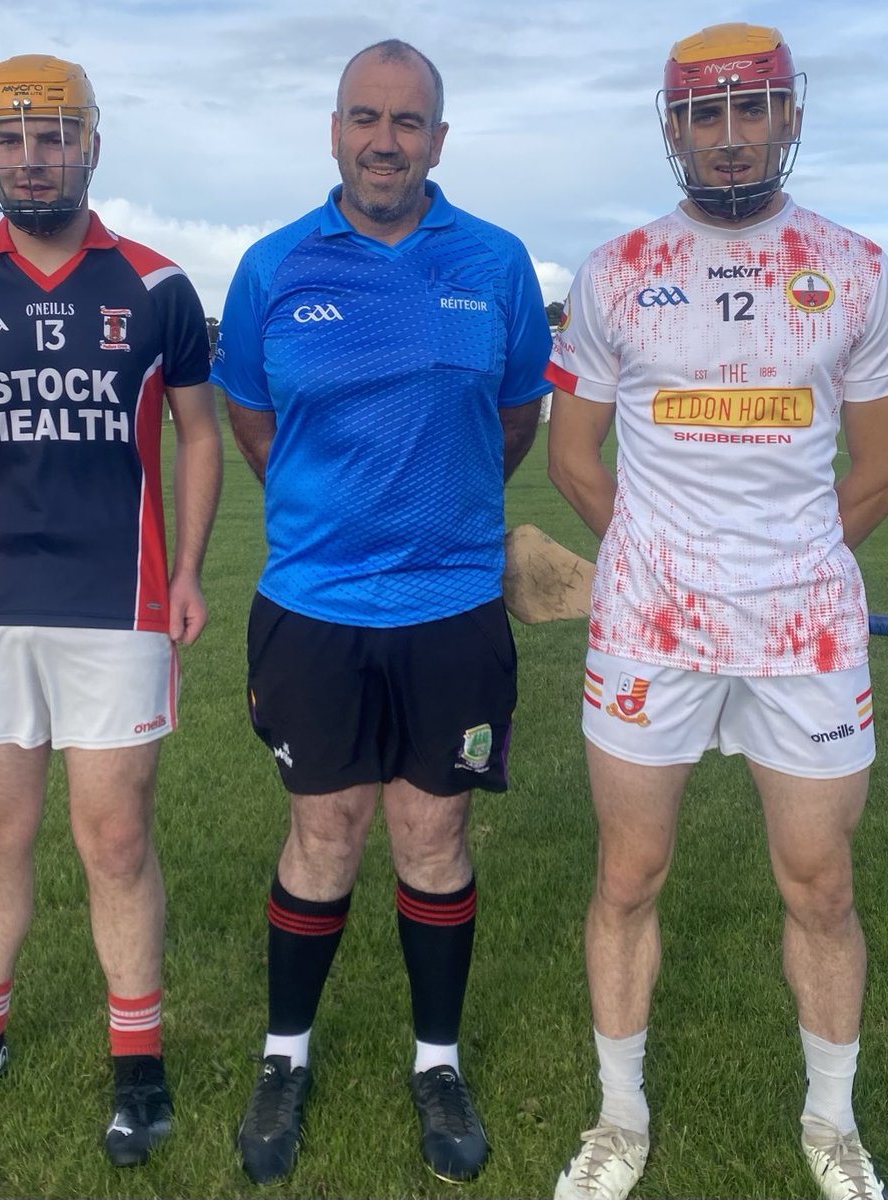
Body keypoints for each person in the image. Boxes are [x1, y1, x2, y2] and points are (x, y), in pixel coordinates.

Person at [546, 22, 888, 1200]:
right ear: (669, 128)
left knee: (819, 885)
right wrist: (666, 562)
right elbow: (571, 457)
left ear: (789, 113)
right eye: (701, 114)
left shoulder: (856, 269)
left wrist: (777, 566)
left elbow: (875, 473)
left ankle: (830, 1127)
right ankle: (618, 1121)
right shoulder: (612, 273)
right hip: (647, 631)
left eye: (749, 108)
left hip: (802, 631)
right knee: (627, 876)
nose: (726, 136)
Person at [210, 38, 551, 1186]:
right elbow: (253, 423)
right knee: (324, 833)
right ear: (334, 131)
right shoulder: (270, 267)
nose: (384, 140)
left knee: (433, 835)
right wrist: (335, 518)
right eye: (365, 117)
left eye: (408, 121)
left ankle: (436, 1062)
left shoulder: (496, 263)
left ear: (438, 141)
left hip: (451, 608)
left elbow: (514, 420)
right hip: (312, 607)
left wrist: (439, 520)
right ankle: (284, 1056)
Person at [0, 54, 222, 1167]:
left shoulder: (157, 287)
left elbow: (200, 433)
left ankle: (138, 1062)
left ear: (90, 143)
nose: (33, 159)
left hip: (114, 607)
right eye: (10, 139)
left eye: (53, 135)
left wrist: (185, 573)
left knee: (114, 838)